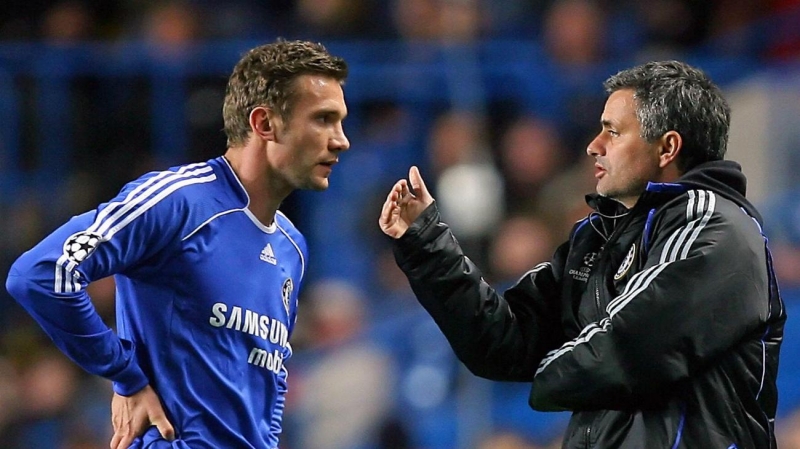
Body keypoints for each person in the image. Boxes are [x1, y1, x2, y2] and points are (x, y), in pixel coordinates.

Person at [378, 60, 785, 448]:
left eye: (613, 132)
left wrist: (541, 379)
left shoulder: (715, 228)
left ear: (667, 148)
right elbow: (503, 342)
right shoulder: (597, 238)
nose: (593, 146)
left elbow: (626, 348)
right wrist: (427, 244)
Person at [6, 39, 350, 448]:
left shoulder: (292, 246)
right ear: (264, 123)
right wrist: (125, 375)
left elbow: (267, 385)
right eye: (323, 119)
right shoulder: (178, 203)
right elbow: (42, 273)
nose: (341, 140)